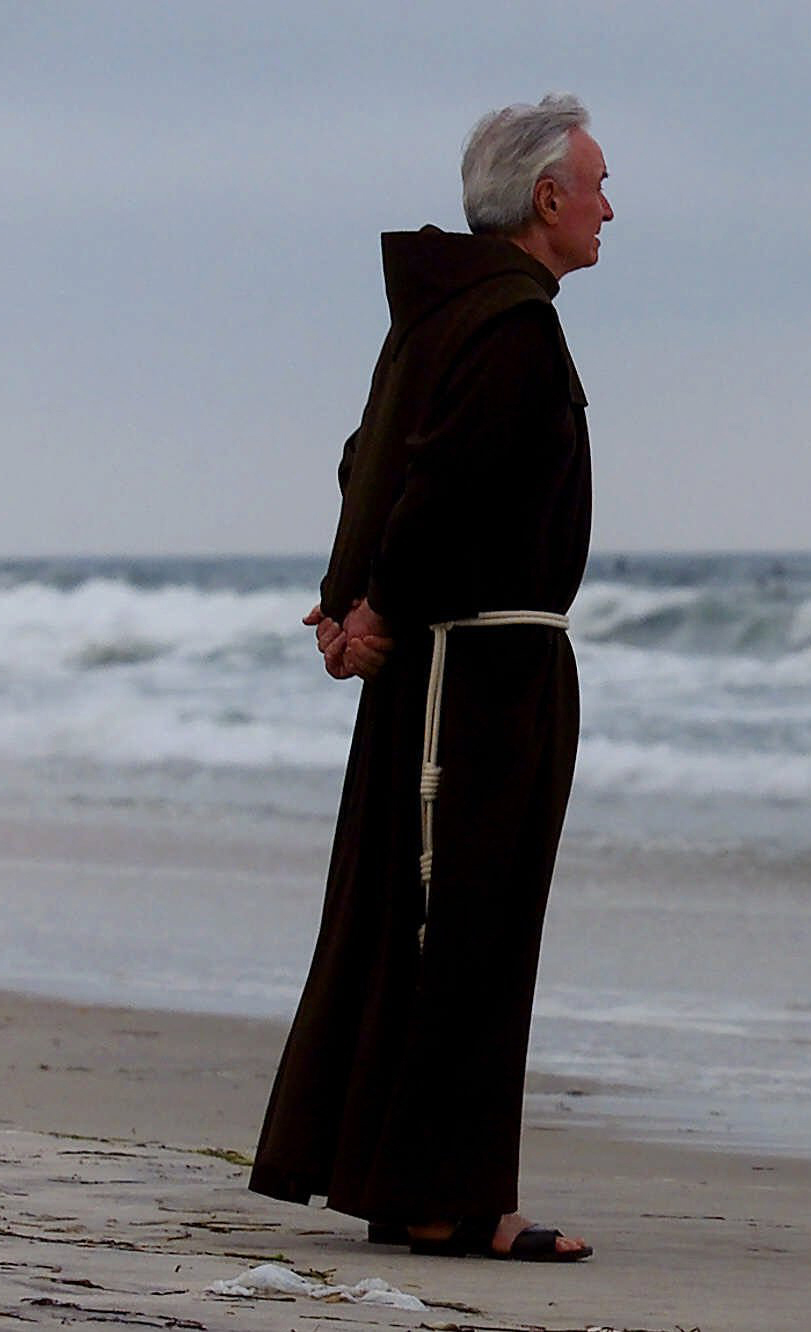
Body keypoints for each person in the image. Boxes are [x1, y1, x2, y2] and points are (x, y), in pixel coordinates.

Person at [248, 94, 612, 1263]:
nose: (612, 207)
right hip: (476, 666)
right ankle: (450, 1200)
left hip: (461, 660)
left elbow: (374, 462)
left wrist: (351, 600)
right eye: (598, 185)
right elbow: (432, 486)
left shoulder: (452, 316)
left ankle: (416, 1187)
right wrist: (376, 610)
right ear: (546, 200)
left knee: (438, 923)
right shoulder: (508, 326)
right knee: (463, 931)